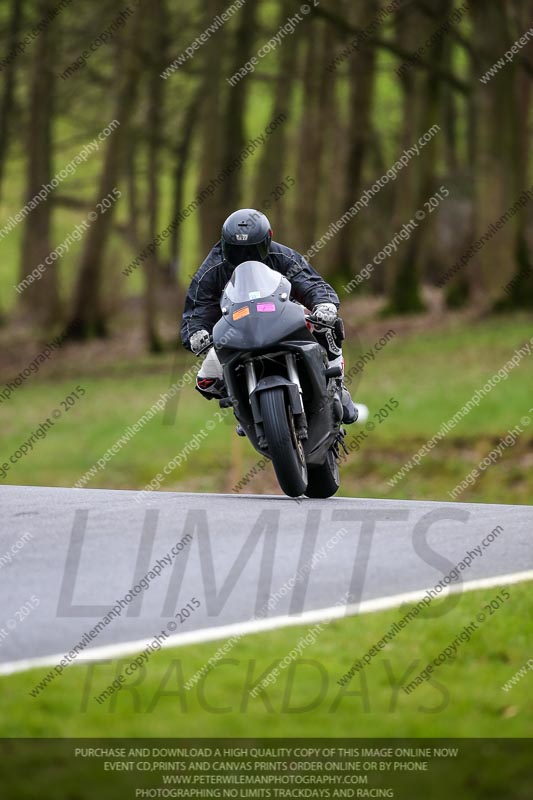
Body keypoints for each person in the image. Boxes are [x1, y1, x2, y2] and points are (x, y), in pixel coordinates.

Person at [180, 208, 358, 424]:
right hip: (236, 330)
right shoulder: (212, 269)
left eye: (252, 250)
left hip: (282, 319)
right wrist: (196, 332)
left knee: (326, 325)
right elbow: (198, 307)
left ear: (267, 241)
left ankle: (337, 383)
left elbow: (309, 282)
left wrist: (324, 304)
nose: (245, 257)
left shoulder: (282, 255)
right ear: (224, 244)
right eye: (236, 250)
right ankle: (241, 404)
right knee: (206, 378)